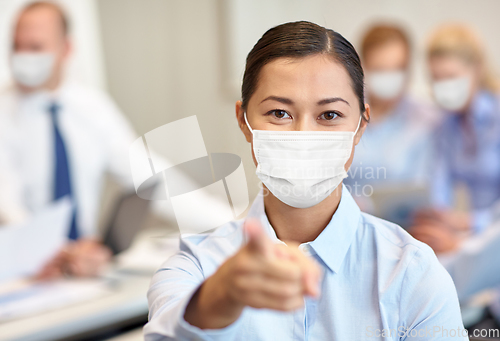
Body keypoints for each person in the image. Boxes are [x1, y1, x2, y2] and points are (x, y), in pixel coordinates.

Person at [144, 21, 466, 341]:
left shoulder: (412, 272)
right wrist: (219, 299)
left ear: (360, 125)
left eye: (329, 115)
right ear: (244, 120)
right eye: (280, 113)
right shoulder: (197, 267)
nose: (303, 137)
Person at [0, 2, 137, 277]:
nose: (22, 56)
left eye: (35, 47)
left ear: (66, 49)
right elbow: (8, 207)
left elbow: (146, 172)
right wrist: (62, 252)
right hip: (22, 273)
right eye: (17, 46)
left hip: (83, 269)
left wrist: (227, 221)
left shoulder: (92, 107)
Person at [411, 24, 500, 246]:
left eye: (451, 76)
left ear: (477, 69)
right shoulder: (446, 125)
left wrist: (470, 223)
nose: (444, 87)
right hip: (477, 237)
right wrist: (438, 219)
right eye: (437, 79)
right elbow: (440, 182)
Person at [345, 24, 440, 200]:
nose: (389, 77)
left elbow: (427, 191)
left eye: (397, 68)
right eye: (380, 69)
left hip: (403, 223)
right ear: (362, 66)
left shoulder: (428, 120)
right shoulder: (344, 113)